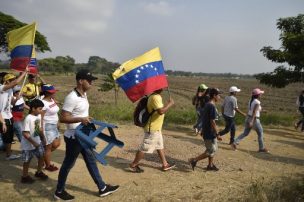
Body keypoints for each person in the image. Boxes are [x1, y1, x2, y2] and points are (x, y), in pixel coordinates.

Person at [54, 69, 119, 201]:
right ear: (80, 81)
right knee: (68, 164)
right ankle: (59, 191)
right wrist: (81, 119)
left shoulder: (83, 95)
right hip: (74, 137)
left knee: (90, 160)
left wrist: (85, 117)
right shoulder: (72, 97)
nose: (91, 83)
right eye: (89, 81)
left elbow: (78, 113)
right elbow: (63, 118)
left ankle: (102, 188)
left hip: (83, 135)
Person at [129, 88, 175, 173]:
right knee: (144, 147)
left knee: (159, 145)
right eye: (161, 86)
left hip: (156, 128)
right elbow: (161, 111)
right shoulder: (155, 97)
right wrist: (170, 104)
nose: (163, 88)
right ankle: (133, 165)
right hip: (152, 128)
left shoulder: (154, 96)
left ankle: (165, 164)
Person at [188, 88, 223, 171]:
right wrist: (217, 133)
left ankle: (210, 165)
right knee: (211, 150)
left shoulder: (208, 104)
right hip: (209, 132)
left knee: (214, 149)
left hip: (209, 131)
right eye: (219, 95)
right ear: (214, 96)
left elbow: (204, 118)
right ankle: (194, 160)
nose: (220, 97)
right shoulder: (211, 106)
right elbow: (212, 122)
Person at [0, 71, 27, 160]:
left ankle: (8, 154)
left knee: (9, 136)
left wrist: (16, 99)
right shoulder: (2, 88)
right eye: (11, 80)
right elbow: (16, 82)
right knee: (6, 137)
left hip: (9, 115)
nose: (14, 81)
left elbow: (12, 103)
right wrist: (25, 72)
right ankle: (7, 153)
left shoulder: (10, 90)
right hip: (2, 116)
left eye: (14, 79)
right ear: (7, 81)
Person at [231, 88, 269, 153]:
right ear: (258, 95)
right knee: (260, 133)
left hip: (248, 117)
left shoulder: (251, 101)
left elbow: (253, 110)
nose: (261, 95)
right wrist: (252, 121)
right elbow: (254, 111)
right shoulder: (257, 102)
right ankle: (261, 148)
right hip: (254, 119)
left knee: (245, 133)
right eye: (260, 94)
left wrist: (262, 111)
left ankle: (234, 142)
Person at [21, 99, 48, 183]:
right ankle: (24, 177)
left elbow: (38, 129)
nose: (41, 111)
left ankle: (38, 172)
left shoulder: (38, 116)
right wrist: (34, 143)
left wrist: (43, 138)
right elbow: (25, 134)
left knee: (41, 156)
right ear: (33, 109)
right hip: (28, 146)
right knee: (27, 161)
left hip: (37, 142)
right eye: (40, 109)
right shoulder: (28, 118)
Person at [40, 84, 61, 171]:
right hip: (47, 126)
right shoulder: (43, 103)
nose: (54, 93)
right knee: (48, 147)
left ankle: (42, 157)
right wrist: (40, 130)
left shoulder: (52, 100)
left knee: (56, 144)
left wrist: (58, 121)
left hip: (54, 125)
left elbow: (55, 112)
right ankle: (48, 165)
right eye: (52, 92)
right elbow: (40, 117)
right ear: (47, 93)